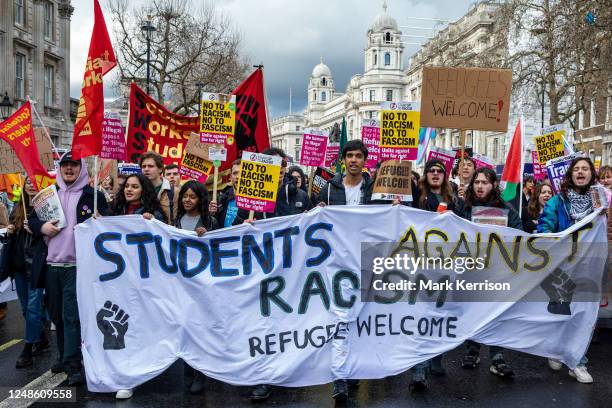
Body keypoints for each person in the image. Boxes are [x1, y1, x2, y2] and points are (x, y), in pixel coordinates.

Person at [29, 151, 108, 386]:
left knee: (71, 316)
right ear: (60, 169)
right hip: (51, 266)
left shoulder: (94, 196)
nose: (69, 169)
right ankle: (65, 357)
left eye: (74, 165)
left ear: (82, 168)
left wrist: (100, 220)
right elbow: (33, 221)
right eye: (65, 165)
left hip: (77, 267)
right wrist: (42, 227)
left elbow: (108, 223)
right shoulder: (48, 195)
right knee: (56, 316)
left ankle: (74, 364)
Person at [243, 147, 310, 402]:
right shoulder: (250, 195)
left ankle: (289, 368)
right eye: (273, 165)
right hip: (262, 268)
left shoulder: (299, 194)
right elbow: (234, 224)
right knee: (263, 324)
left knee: (289, 321)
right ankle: (264, 377)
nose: (279, 169)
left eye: (282, 165)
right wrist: (244, 222)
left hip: (291, 269)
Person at [537, 157, 602, 384]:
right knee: (560, 314)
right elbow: (545, 227)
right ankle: (556, 350)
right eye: (577, 169)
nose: (581, 172)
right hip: (561, 268)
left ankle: (577, 362)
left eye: (586, 168)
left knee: (583, 317)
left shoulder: (600, 202)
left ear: (592, 174)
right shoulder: (557, 201)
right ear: (570, 175)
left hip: (589, 269)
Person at [317, 139, 373, 401]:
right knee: (340, 318)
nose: (353, 160)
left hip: (367, 261)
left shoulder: (375, 189)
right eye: (349, 156)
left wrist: (394, 208)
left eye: (358, 156)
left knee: (360, 319)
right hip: (337, 264)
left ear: (364, 160)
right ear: (343, 159)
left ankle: (354, 370)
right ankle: (340, 376)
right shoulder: (328, 190)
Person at [408, 159, 464, 390]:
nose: (434, 174)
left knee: (440, 315)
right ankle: (419, 369)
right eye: (430, 170)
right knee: (421, 315)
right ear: (425, 175)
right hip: (421, 264)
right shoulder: (416, 196)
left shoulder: (455, 199)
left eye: (439, 171)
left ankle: (437, 358)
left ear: (445, 175)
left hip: (446, 266)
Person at [109, 173, 164, 400]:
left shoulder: (154, 214)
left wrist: (155, 223)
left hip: (143, 282)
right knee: (124, 328)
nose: (129, 190)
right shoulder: (116, 212)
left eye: (134, 187)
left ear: (144, 191)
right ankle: (126, 376)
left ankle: (143, 369)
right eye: (126, 186)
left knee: (141, 326)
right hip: (119, 281)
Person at [461, 167, 521, 377]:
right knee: (473, 312)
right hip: (471, 270)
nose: (479, 186)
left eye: (484, 182)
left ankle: (497, 356)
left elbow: (518, 232)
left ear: (493, 185)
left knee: (496, 314)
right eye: (476, 182)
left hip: (497, 270)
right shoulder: (464, 207)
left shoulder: (505, 209)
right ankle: (472, 350)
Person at [174, 180, 219, 395]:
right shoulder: (177, 221)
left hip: (202, 286)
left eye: (192, 196)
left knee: (200, 330)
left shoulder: (210, 221)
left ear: (200, 199)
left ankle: (201, 373)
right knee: (185, 328)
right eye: (184, 196)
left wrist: (207, 233)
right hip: (182, 285)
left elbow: (219, 247)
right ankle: (188, 371)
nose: (187, 200)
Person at [1, 177, 49, 368]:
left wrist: (38, 230)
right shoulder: (17, 207)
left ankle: (28, 348)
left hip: (35, 266)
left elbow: (54, 233)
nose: (30, 184)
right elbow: (12, 235)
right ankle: (42, 339)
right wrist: (12, 229)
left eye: (34, 181)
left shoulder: (46, 208)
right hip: (19, 267)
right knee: (24, 309)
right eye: (27, 181)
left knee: (33, 308)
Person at [233, 148, 310, 226]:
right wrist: (243, 226)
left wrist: (315, 214)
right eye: (275, 163)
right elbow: (235, 230)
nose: (280, 167)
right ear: (265, 167)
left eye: (283, 163)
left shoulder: (301, 196)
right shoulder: (251, 199)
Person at [139, 151, 179, 224]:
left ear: (160, 169)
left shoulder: (174, 191)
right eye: (143, 166)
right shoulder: (137, 190)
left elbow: (177, 219)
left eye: (150, 166)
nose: (146, 169)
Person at [211, 159, 241, 228]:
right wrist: (211, 215)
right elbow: (214, 226)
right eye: (235, 173)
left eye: (242, 173)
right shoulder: (222, 198)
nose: (238, 177)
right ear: (230, 176)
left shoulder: (254, 202)